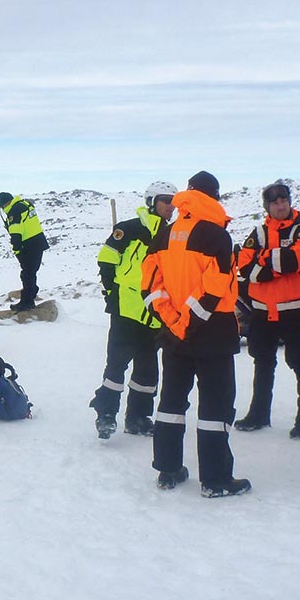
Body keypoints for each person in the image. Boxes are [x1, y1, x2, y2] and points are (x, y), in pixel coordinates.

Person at [141, 171, 251, 497]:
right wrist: (188, 322)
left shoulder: (165, 232)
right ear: (215, 197)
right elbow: (214, 289)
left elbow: (149, 285)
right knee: (215, 408)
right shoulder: (216, 236)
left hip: (173, 336)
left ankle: (168, 470)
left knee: (171, 403)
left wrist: (173, 322)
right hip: (211, 333)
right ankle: (215, 480)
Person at [89, 181, 177, 438]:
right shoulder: (128, 229)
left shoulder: (172, 235)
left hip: (155, 315)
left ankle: (138, 418)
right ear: (152, 201)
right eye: (166, 200)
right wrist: (111, 294)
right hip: (126, 312)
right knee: (116, 367)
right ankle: (105, 414)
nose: (171, 207)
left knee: (147, 372)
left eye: (174, 201)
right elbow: (106, 260)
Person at [234, 182, 300, 439]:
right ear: (267, 207)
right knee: (262, 363)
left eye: (284, 200)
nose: (281, 205)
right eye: (274, 202)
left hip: (296, 312)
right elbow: (243, 266)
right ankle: (258, 415)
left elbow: (295, 261)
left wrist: (262, 259)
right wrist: (271, 262)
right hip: (262, 313)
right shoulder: (259, 231)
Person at [0, 193, 49, 311]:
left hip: (28, 246)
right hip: (38, 242)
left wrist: (17, 250)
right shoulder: (25, 205)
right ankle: (31, 293)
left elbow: (16, 234)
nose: (3, 210)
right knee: (31, 272)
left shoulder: (14, 212)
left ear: (5, 203)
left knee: (27, 274)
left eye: (2, 207)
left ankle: (27, 302)